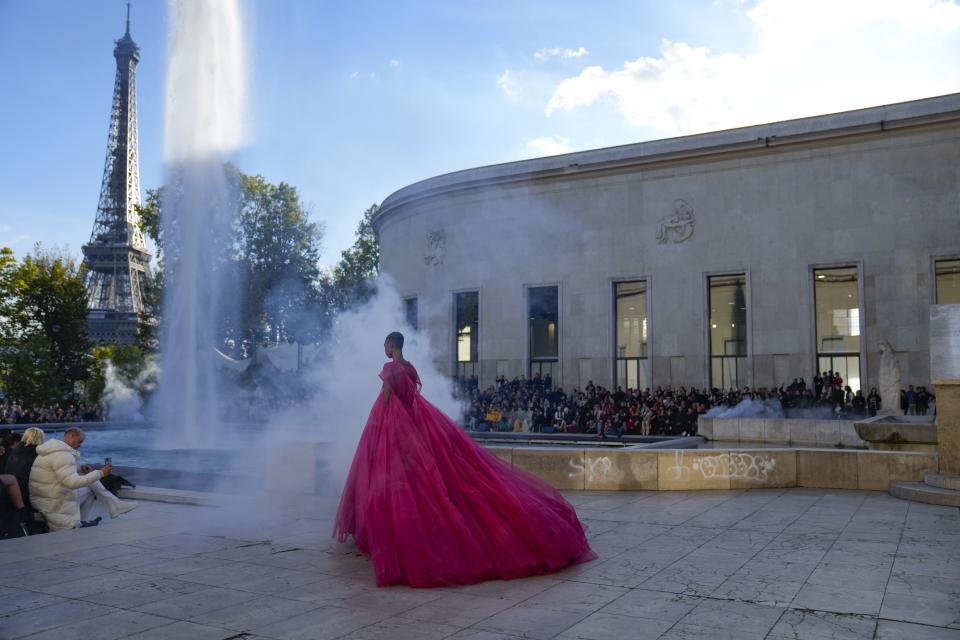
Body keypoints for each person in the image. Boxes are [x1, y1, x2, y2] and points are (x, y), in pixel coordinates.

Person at [334, 332, 595, 587]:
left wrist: (376, 429)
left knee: (393, 485)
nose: (384, 349)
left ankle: (396, 537)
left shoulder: (390, 368)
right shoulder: (410, 368)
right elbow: (412, 398)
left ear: (391, 345)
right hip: (413, 428)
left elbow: (386, 399)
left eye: (385, 345)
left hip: (394, 430)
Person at [30, 427, 137, 531]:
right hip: (53, 501)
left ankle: (112, 506)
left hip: (44, 497)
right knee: (90, 484)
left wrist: (79, 468)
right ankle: (113, 506)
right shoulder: (63, 455)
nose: (80, 445)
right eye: (79, 441)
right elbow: (72, 483)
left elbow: (56, 471)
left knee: (90, 482)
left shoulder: (52, 450)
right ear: (71, 436)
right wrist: (100, 473)